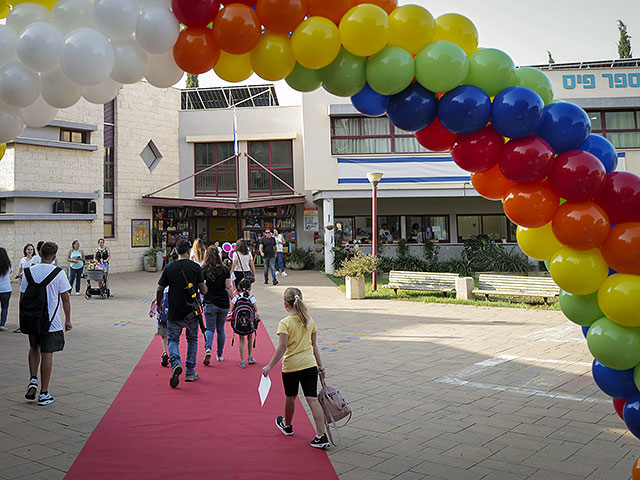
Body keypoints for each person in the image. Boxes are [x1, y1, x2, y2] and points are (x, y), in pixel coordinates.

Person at [262, 287, 329, 449]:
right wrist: (320, 365)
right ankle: (321, 435)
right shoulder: (309, 320)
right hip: (309, 364)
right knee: (312, 399)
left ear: (285, 304)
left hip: (291, 366)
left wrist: (269, 366)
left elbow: (282, 347)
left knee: (290, 396)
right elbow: (314, 345)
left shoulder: (285, 323)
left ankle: (288, 425)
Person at [20, 242, 72, 406]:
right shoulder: (59, 273)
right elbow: (65, 298)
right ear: (54, 256)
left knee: (34, 347)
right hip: (52, 321)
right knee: (47, 353)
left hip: (32, 318)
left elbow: (22, 297)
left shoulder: (29, 271)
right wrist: (68, 319)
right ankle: (44, 393)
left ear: (39, 253)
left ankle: (33, 379)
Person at [156, 239, 207, 388]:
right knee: (192, 340)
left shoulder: (169, 267)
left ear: (176, 251)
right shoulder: (195, 267)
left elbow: (159, 289)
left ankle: (176, 363)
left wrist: (159, 305)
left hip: (174, 310)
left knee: (173, 340)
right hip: (192, 311)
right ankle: (190, 372)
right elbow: (203, 290)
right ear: (188, 250)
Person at [202, 246, 234, 365]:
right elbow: (228, 287)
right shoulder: (225, 269)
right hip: (223, 304)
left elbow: (201, 287)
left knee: (209, 329)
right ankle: (219, 355)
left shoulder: (204, 269)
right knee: (221, 330)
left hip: (210, 302)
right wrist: (234, 299)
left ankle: (208, 349)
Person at [231, 278, 258, 369]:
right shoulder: (251, 298)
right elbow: (256, 309)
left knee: (241, 339)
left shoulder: (236, 297)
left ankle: (242, 361)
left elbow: (232, 310)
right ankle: (249, 357)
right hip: (249, 323)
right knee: (250, 337)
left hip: (240, 323)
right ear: (249, 288)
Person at [150, 287, 170, 367]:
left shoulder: (163, 289)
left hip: (163, 317)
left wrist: (151, 311)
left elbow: (153, 301)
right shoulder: (175, 287)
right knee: (173, 339)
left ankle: (164, 353)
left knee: (164, 337)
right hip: (173, 317)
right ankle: (173, 356)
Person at [0, 247, 12, 332]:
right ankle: (2, 325)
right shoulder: (8, 265)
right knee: (5, 307)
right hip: (6, 289)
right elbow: (10, 272)